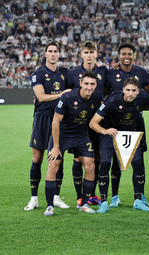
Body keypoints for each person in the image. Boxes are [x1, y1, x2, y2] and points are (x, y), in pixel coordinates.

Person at [89, 77, 149, 213]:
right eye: (128, 90)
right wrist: (105, 131)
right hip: (110, 134)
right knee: (105, 163)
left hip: (130, 135)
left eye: (134, 91)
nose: (130, 93)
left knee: (138, 163)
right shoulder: (112, 100)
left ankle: (137, 200)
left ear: (138, 92)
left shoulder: (143, 97)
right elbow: (93, 122)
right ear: (123, 90)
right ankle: (104, 202)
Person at [44, 71, 102, 216]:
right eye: (86, 83)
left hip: (81, 136)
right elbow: (55, 121)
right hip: (62, 135)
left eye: (92, 84)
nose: (89, 87)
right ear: (81, 83)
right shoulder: (67, 97)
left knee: (90, 165)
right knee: (53, 165)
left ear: (96, 85)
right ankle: (49, 206)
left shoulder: (96, 99)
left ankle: (84, 204)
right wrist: (56, 147)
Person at [104, 43, 149, 204]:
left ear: (134, 55)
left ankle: (140, 196)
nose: (126, 56)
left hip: (136, 122)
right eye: (123, 54)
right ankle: (114, 197)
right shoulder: (110, 73)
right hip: (115, 122)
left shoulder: (141, 72)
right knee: (115, 160)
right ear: (118, 55)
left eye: (129, 54)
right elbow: (104, 94)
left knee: (138, 160)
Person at [25, 41, 71, 211]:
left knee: (58, 159)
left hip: (59, 120)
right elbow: (41, 96)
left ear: (59, 54)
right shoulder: (38, 74)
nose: (53, 54)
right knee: (37, 159)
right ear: (45, 54)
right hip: (42, 119)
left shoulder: (65, 73)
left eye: (56, 51)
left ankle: (57, 197)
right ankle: (34, 199)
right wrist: (61, 94)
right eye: (50, 51)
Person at [66, 41, 108, 207]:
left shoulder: (103, 71)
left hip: (97, 121)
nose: (89, 55)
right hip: (79, 123)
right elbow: (66, 93)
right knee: (78, 158)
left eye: (92, 52)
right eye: (86, 52)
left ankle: (91, 194)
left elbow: (110, 90)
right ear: (81, 54)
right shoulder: (72, 73)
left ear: (96, 54)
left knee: (96, 157)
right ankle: (79, 196)